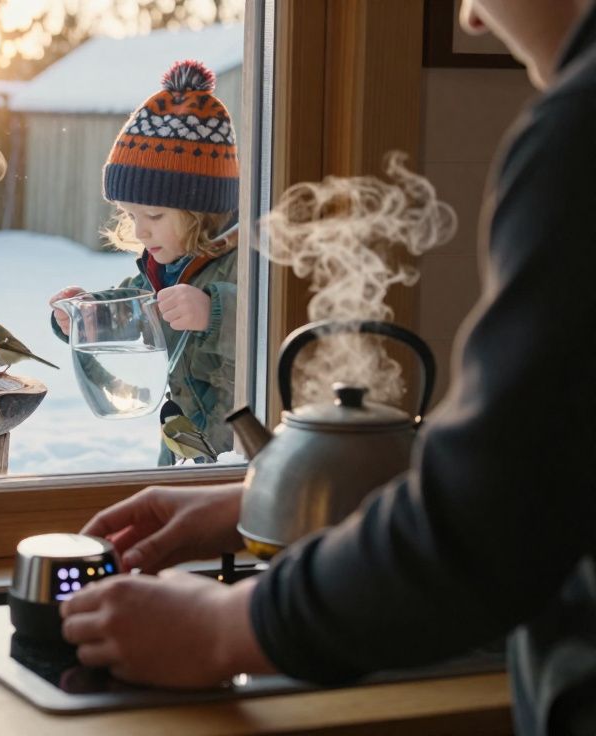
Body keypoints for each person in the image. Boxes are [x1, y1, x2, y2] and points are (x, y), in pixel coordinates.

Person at [58, 2, 596, 733]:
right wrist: (259, 500)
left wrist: (225, 628)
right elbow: (555, 461)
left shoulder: (579, 132)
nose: (468, 18)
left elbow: (493, 513)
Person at [48, 59, 239, 466]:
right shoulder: (162, 269)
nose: (140, 231)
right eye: (130, 215)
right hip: (182, 452)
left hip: (237, 459)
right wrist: (85, 315)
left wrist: (215, 311)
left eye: (154, 216)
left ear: (202, 213)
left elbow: (275, 327)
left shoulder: (243, 264)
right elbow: (131, 309)